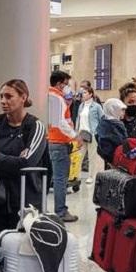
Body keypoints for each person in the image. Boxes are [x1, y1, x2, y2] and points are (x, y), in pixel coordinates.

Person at [0, 79, 46, 237]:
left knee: (23, 249)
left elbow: (27, 164)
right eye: (1, 96)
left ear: (23, 97)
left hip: (27, 202)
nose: (3, 101)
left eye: (9, 96)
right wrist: (15, 162)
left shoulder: (35, 126)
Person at [46, 71, 79, 223]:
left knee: (58, 178)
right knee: (60, 179)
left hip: (55, 141)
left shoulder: (52, 96)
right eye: (66, 84)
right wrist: (75, 136)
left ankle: (58, 210)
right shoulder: (56, 97)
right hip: (59, 142)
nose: (67, 87)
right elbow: (59, 122)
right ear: (59, 83)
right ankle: (60, 211)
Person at [75, 82, 103, 182]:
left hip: (92, 134)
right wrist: (76, 132)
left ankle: (91, 176)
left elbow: (102, 120)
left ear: (91, 94)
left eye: (85, 92)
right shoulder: (81, 106)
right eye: (82, 92)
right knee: (79, 156)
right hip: (81, 134)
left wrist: (98, 132)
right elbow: (78, 119)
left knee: (92, 156)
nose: (83, 94)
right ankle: (76, 176)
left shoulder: (96, 107)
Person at [96, 98, 128, 166]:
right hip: (115, 158)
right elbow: (122, 142)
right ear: (113, 110)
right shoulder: (114, 125)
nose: (123, 112)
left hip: (109, 157)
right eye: (121, 110)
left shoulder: (104, 122)